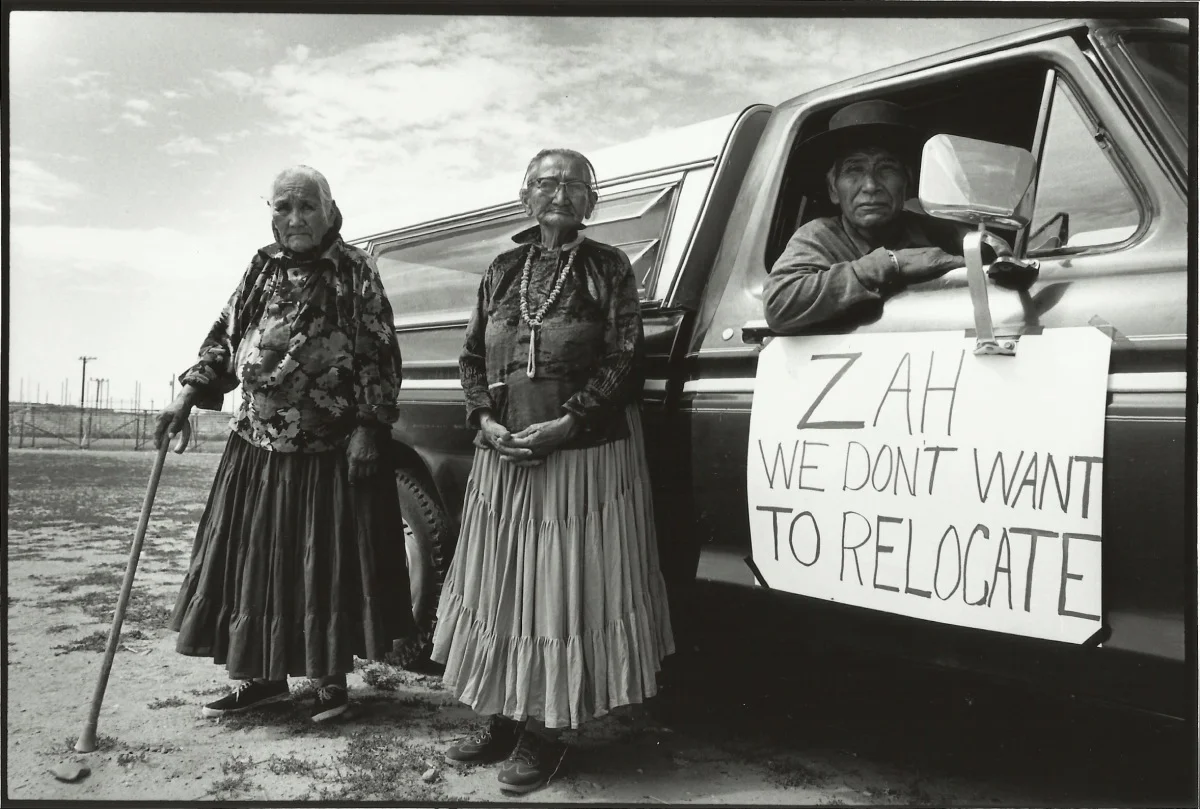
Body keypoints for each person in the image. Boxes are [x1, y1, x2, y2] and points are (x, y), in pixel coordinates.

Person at [430, 148, 675, 795]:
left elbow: (625, 361)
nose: (561, 192)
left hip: (581, 463)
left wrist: (567, 422)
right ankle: (504, 720)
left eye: (575, 184)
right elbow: (471, 357)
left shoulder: (607, 268)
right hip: (505, 458)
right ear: (524, 196)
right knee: (505, 592)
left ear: (592, 202)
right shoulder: (504, 268)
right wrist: (483, 420)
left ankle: (546, 732)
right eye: (547, 182)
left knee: (558, 595)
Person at [156, 165, 414, 723]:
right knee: (257, 564)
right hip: (256, 445)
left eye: (306, 207)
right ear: (270, 212)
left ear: (329, 210)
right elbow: (225, 338)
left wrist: (371, 428)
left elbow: (379, 355)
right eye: (282, 207)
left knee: (320, 565)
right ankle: (263, 679)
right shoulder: (260, 267)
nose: (294, 218)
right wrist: (185, 397)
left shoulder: (354, 273)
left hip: (328, 450)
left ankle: (328, 684)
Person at [764, 99, 965, 333]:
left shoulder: (939, 231)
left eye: (886, 168)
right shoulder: (819, 237)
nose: (870, 185)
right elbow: (778, 303)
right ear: (833, 189)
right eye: (854, 170)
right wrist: (892, 264)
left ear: (907, 184)